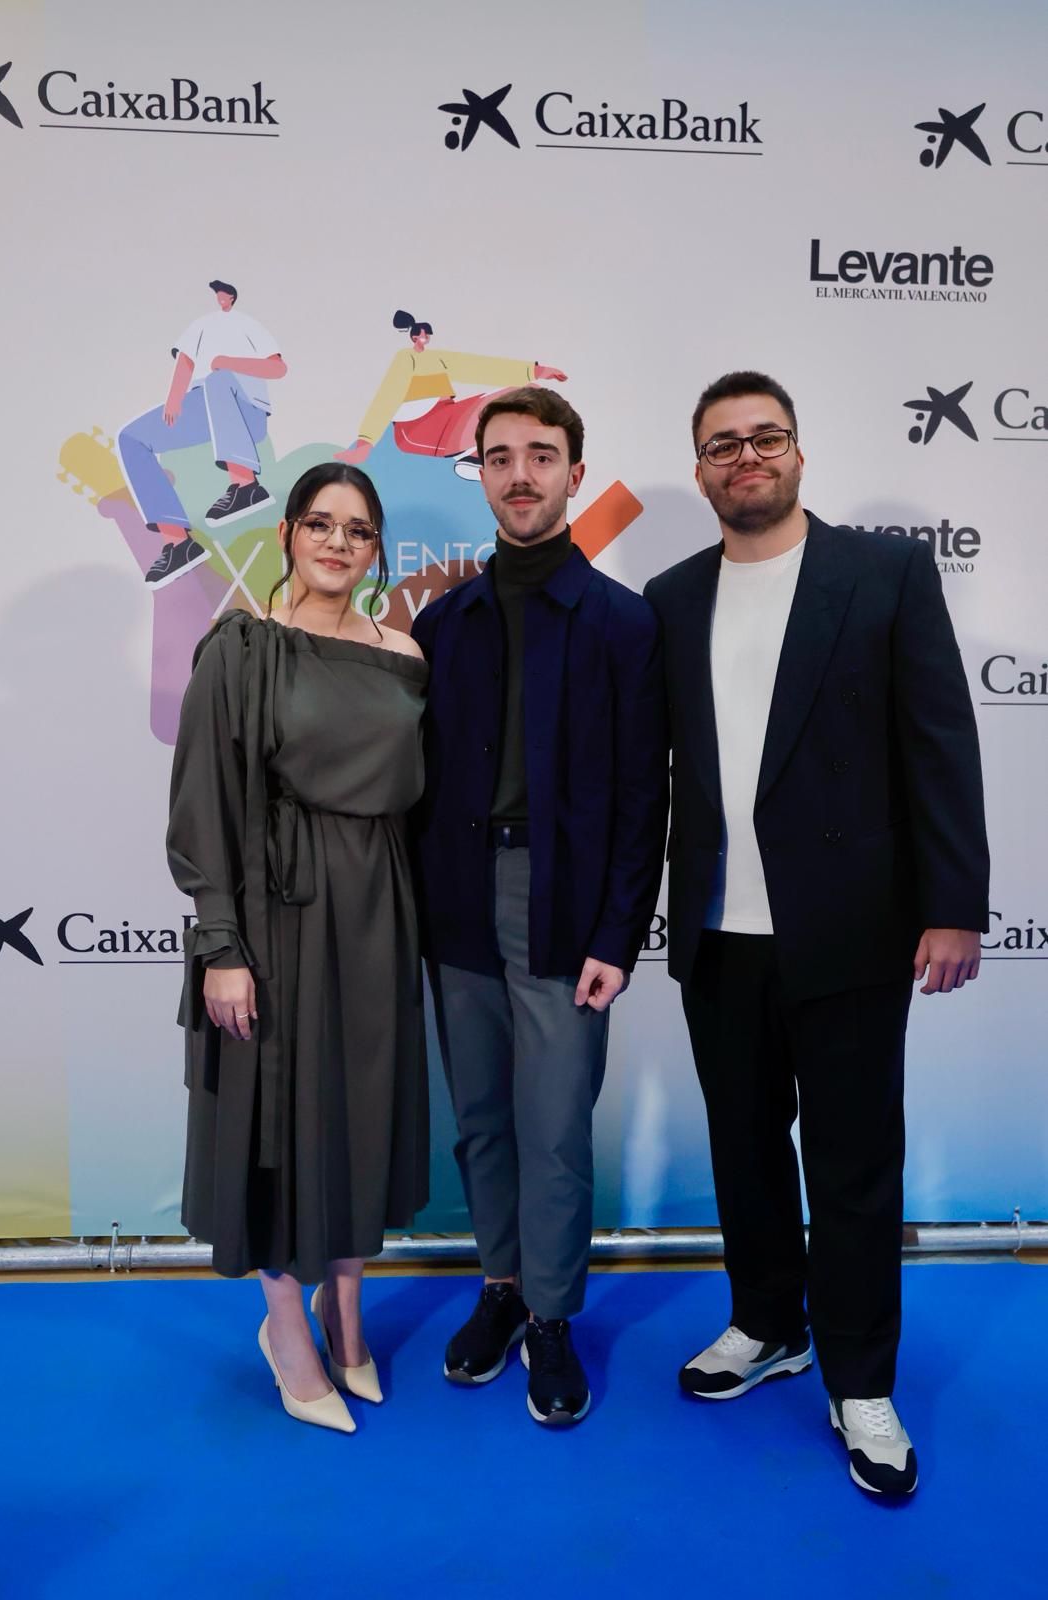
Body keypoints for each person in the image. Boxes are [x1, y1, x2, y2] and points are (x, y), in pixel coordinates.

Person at [644, 371, 989, 1497]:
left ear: (796, 452)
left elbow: (937, 741)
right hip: (713, 929)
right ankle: (764, 1322)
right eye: (720, 444)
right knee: (741, 1149)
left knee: (846, 1163)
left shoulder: (880, 573)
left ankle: (860, 1381)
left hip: (847, 929)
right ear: (698, 469)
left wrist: (952, 903)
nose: (744, 457)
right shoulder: (668, 594)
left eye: (764, 437)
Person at [411, 387, 668, 1426]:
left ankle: (553, 1317)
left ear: (572, 470)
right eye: (500, 456)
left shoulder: (619, 620)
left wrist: (617, 932)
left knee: (552, 1125)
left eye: (541, 455)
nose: (520, 473)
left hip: (560, 904)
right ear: (479, 471)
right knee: (479, 1121)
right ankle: (503, 1290)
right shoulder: (442, 621)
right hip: (456, 896)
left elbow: (643, 794)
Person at [167, 462, 429, 1432]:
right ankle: (287, 1325)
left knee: (362, 1114)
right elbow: (203, 811)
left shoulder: (404, 652)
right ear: (284, 534)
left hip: (378, 912)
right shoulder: (239, 648)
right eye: (318, 523)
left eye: (356, 530)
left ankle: (346, 1308)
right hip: (277, 920)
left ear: (374, 549)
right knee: (274, 1123)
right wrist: (222, 945)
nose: (335, 542)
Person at [119, 279, 286, 588]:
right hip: (201, 405)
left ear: (232, 298)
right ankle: (178, 543)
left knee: (218, 380)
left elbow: (277, 369)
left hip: (245, 405)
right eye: (217, 293)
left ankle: (245, 485)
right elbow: (185, 362)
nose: (221, 297)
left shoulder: (248, 325)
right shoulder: (199, 327)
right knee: (131, 437)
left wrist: (226, 363)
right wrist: (174, 399)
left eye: (225, 292)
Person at [337, 308, 567, 480]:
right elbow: (388, 396)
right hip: (418, 430)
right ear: (413, 336)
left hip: (446, 415)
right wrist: (366, 441)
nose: (424, 339)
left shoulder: (437, 358)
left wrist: (535, 371)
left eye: (427, 335)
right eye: (420, 335)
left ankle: (475, 456)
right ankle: (475, 457)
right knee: (509, 403)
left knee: (529, 394)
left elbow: (478, 367)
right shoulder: (405, 359)